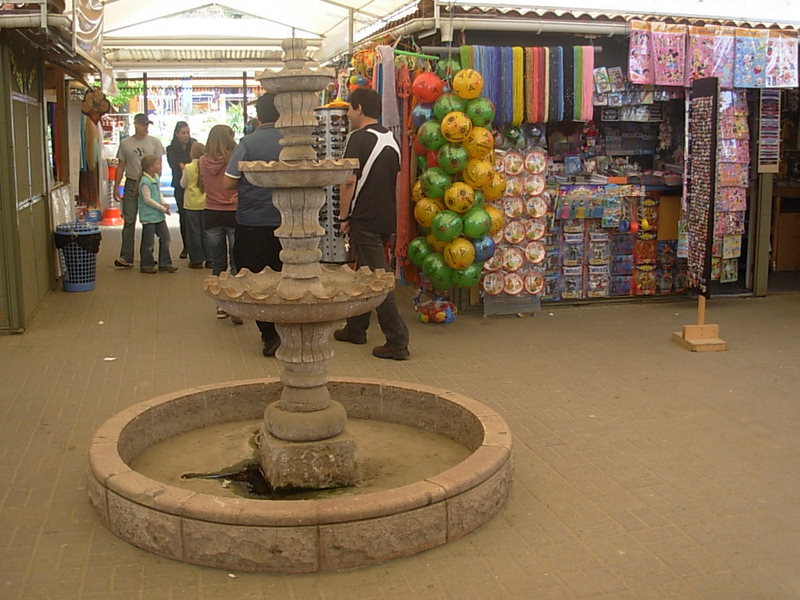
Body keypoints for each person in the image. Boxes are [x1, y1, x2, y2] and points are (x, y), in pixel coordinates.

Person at [334, 88, 410, 360]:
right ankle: (356, 328)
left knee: (378, 279)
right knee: (365, 273)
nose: (347, 115)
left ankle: (397, 340)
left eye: (349, 110)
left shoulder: (357, 138)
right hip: (385, 217)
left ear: (359, 109)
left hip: (363, 217)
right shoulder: (391, 139)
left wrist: (343, 217)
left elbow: (348, 181)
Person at [224, 93, 283, 356]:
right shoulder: (296, 141)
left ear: (258, 115)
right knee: (286, 278)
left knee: (257, 281)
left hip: (253, 222)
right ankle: (288, 329)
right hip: (288, 223)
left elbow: (228, 183)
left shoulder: (248, 142)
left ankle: (269, 334)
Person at [113, 113, 165, 268]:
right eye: (143, 124)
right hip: (131, 183)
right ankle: (126, 256)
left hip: (148, 182)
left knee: (149, 221)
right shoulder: (125, 143)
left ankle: (147, 257)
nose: (145, 127)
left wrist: (155, 181)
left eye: (147, 125)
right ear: (135, 124)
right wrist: (116, 186)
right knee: (129, 220)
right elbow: (121, 165)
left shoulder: (155, 142)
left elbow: (159, 164)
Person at [199, 124, 238, 318]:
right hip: (233, 211)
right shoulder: (233, 159)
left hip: (211, 212)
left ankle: (220, 306)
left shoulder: (202, 161)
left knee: (217, 262)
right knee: (236, 260)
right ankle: (236, 301)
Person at [137, 155, 177, 274]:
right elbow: (147, 199)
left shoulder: (154, 178)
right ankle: (146, 264)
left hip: (158, 215)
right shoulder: (145, 182)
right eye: (157, 164)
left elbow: (158, 194)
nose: (160, 166)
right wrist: (161, 208)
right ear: (150, 167)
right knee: (148, 243)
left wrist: (164, 203)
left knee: (166, 238)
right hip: (149, 216)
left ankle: (165, 263)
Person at [166, 121, 196, 259]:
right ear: (177, 134)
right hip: (179, 185)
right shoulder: (171, 148)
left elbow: (196, 161)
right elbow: (175, 165)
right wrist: (184, 165)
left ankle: (198, 245)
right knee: (183, 216)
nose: (186, 136)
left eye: (188, 133)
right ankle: (187, 246)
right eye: (183, 133)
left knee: (196, 216)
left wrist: (184, 165)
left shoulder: (194, 144)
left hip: (195, 184)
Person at [179, 142, 208, 269]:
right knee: (207, 232)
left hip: (191, 204)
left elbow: (182, 184)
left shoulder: (188, 167)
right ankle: (211, 259)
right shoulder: (208, 166)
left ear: (192, 153)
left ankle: (196, 260)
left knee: (193, 233)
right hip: (206, 203)